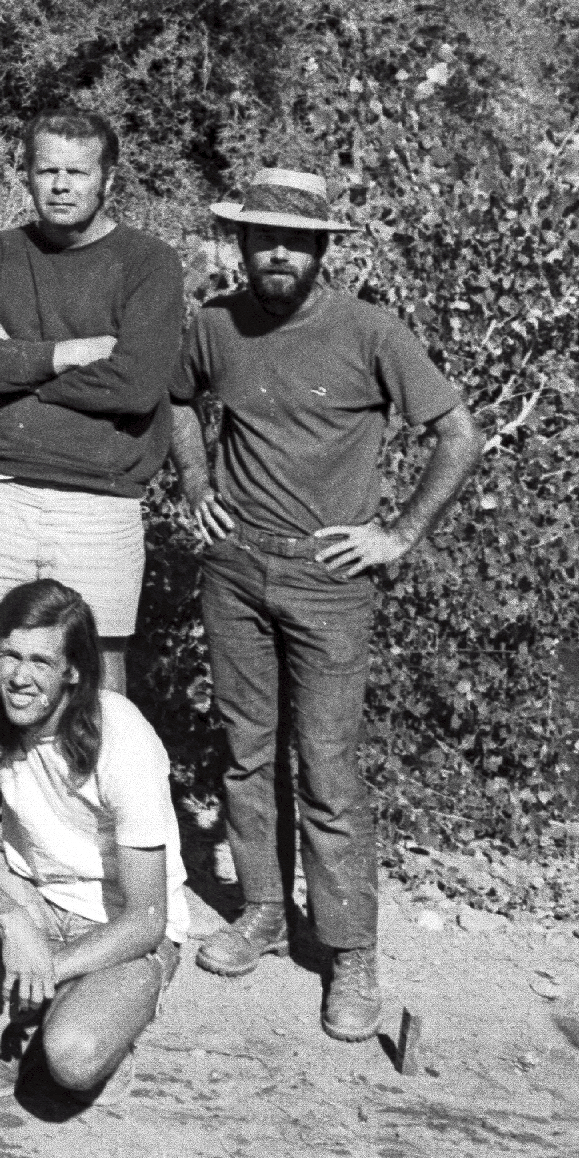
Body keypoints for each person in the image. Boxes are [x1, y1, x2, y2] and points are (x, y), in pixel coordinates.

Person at [169, 166, 479, 1041]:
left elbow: (458, 433)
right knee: (245, 751)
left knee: (330, 769)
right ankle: (264, 908)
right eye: (261, 237)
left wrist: (399, 533)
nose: (276, 253)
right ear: (240, 244)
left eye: (294, 240)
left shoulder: (369, 332)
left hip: (330, 581)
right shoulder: (217, 324)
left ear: (319, 250)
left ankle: (349, 950)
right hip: (235, 568)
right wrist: (195, 478)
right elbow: (176, 399)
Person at [0, 580, 188, 1101]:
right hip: (35, 898)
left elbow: (146, 920)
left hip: (120, 927)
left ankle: (52, 1012)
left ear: (73, 670)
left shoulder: (121, 734)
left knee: (71, 1060)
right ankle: (30, 1019)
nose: (19, 678)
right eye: (9, 655)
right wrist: (13, 920)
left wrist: (21, 980)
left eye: (41, 662)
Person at [0, 109, 184, 693]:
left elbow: (136, 384)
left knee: (96, 672)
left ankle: (93, 788)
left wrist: (16, 364)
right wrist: (64, 354)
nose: (61, 185)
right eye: (47, 169)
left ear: (109, 180)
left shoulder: (148, 262)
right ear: (24, 174)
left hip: (101, 503)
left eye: (77, 171)